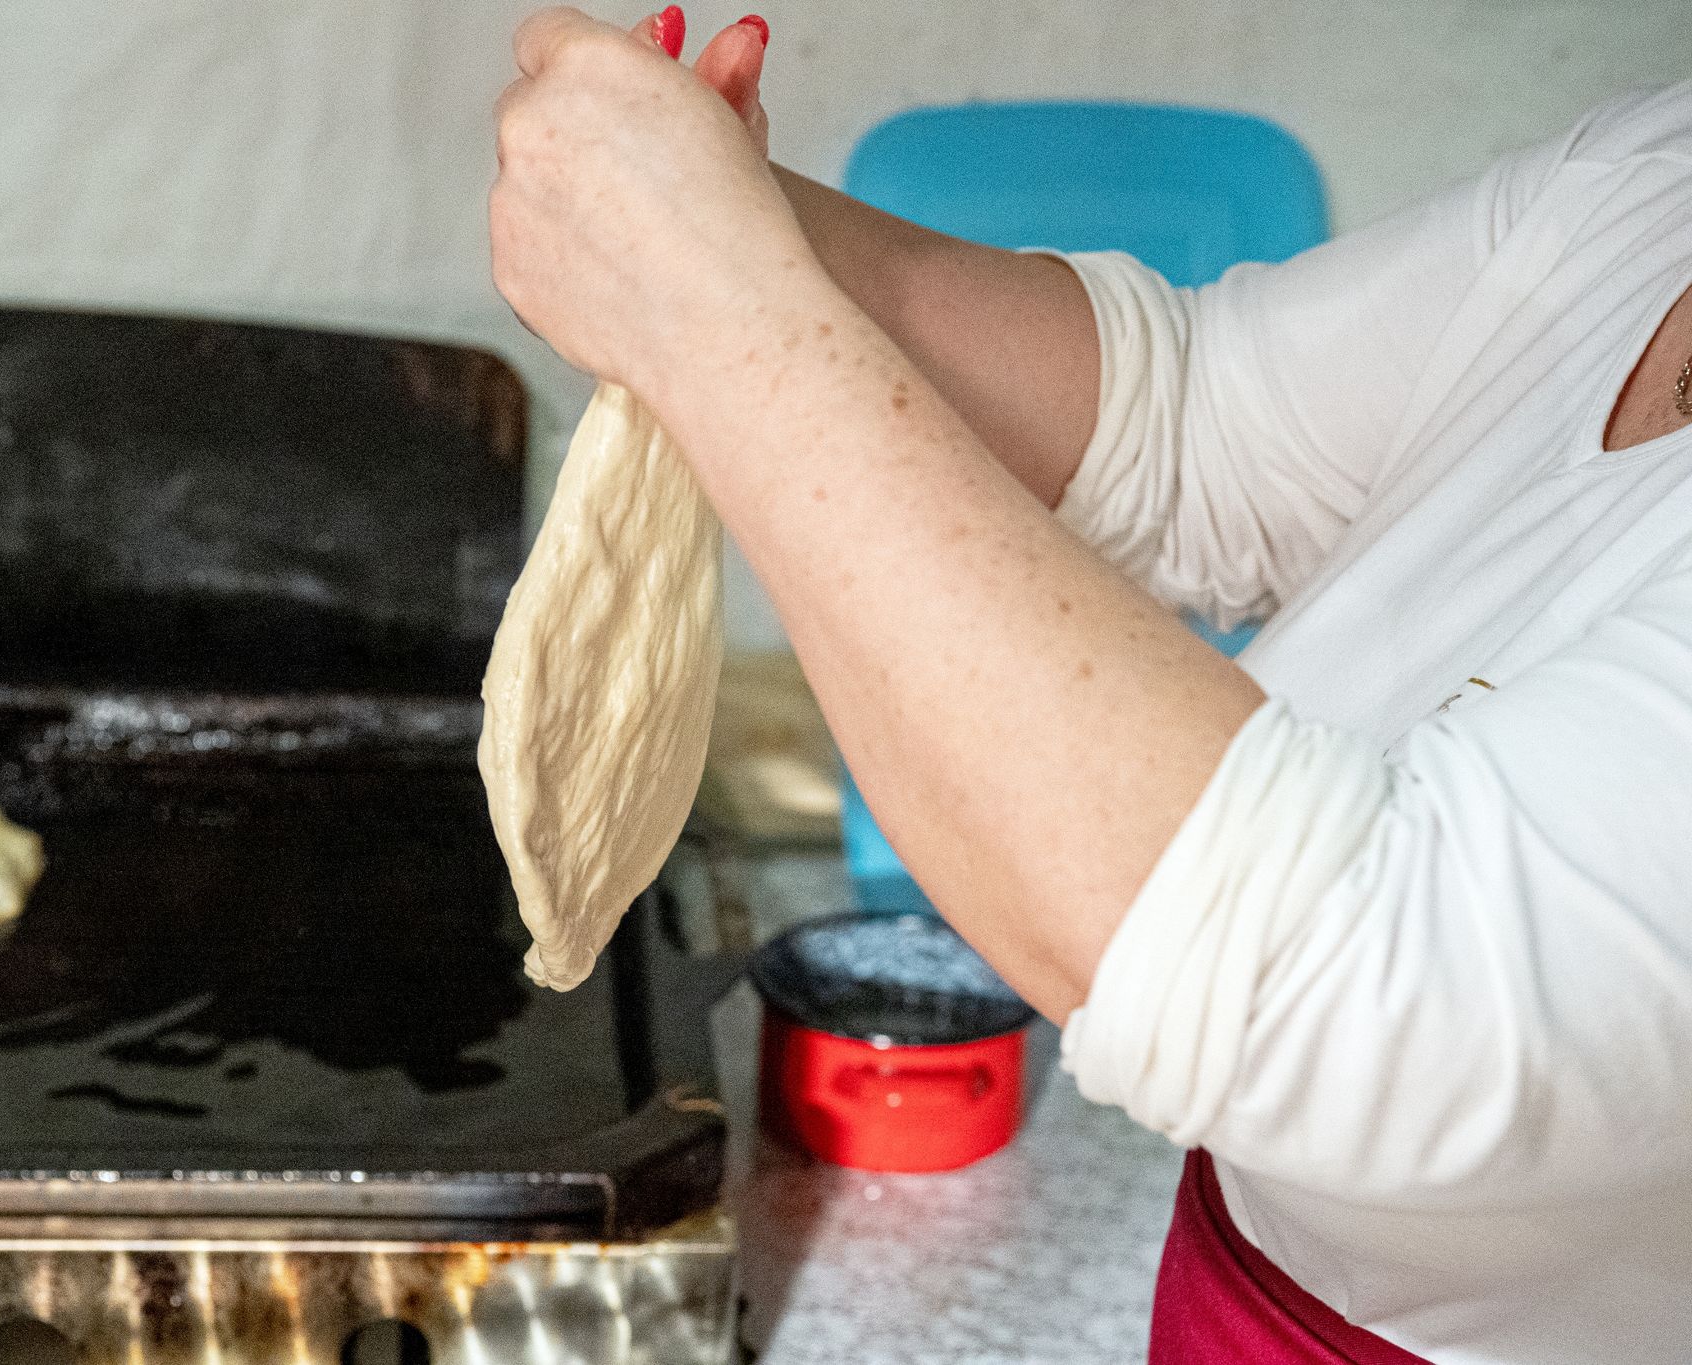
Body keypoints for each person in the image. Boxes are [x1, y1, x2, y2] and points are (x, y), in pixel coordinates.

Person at [489, 7, 1692, 1363]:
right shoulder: (1661, 175)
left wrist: (719, 311)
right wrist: (711, 206)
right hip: (1242, 1290)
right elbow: (1191, 423)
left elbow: (1364, 992)